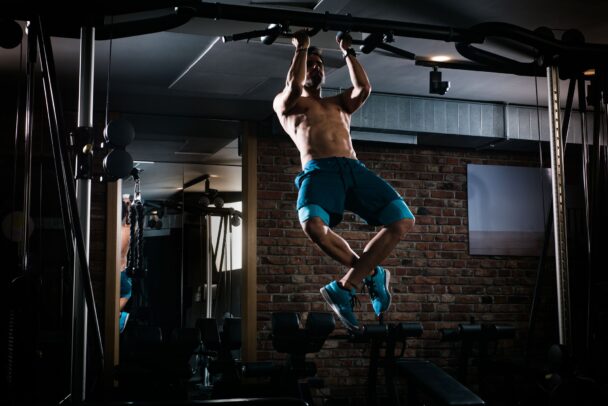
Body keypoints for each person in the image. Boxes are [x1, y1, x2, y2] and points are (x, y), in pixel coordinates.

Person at [273, 31, 415, 330]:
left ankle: (346, 286)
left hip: (353, 168)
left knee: (402, 220)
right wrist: (303, 48)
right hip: (319, 171)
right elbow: (293, 84)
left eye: (319, 65)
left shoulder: (340, 103)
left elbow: (363, 87)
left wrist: (348, 51)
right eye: (310, 64)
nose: (315, 69)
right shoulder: (288, 104)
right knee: (313, 226)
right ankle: (370, 273)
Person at [119, 196, 132, 333]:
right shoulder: (128, 230)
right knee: (127, 293)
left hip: (120, 273)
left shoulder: (123, 230)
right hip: (121, 272)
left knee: (127, 293)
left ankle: (117, 318)